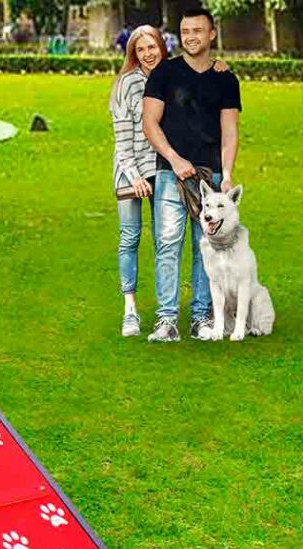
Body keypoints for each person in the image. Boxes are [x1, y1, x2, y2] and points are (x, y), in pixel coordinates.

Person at [142, 8, 241, 342]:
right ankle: (166, 320)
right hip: (170, 175)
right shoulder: (164, 73)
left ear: (212, 34)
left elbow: (230, 130)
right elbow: (149, 123)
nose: (190, 37)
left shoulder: (225, 79)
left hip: (210, 177)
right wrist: (173, 159)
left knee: (207, 248)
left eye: (197, 31)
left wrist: (227, 174)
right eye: (185, 31)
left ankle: (201, 317)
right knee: (168, 245)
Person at [109, 25, 168, 336]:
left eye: (152, 47)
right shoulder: (126, 84)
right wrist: (134, 176)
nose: (147, 54)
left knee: (164, 239)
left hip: (160, 169)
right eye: (141, 49)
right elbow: (122, 140)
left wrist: (219, 65)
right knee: (130, 237)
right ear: (133, 53)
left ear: (161, 47)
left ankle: (165, 311)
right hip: (129, 169)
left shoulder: (171, 77)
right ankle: (129, 309)